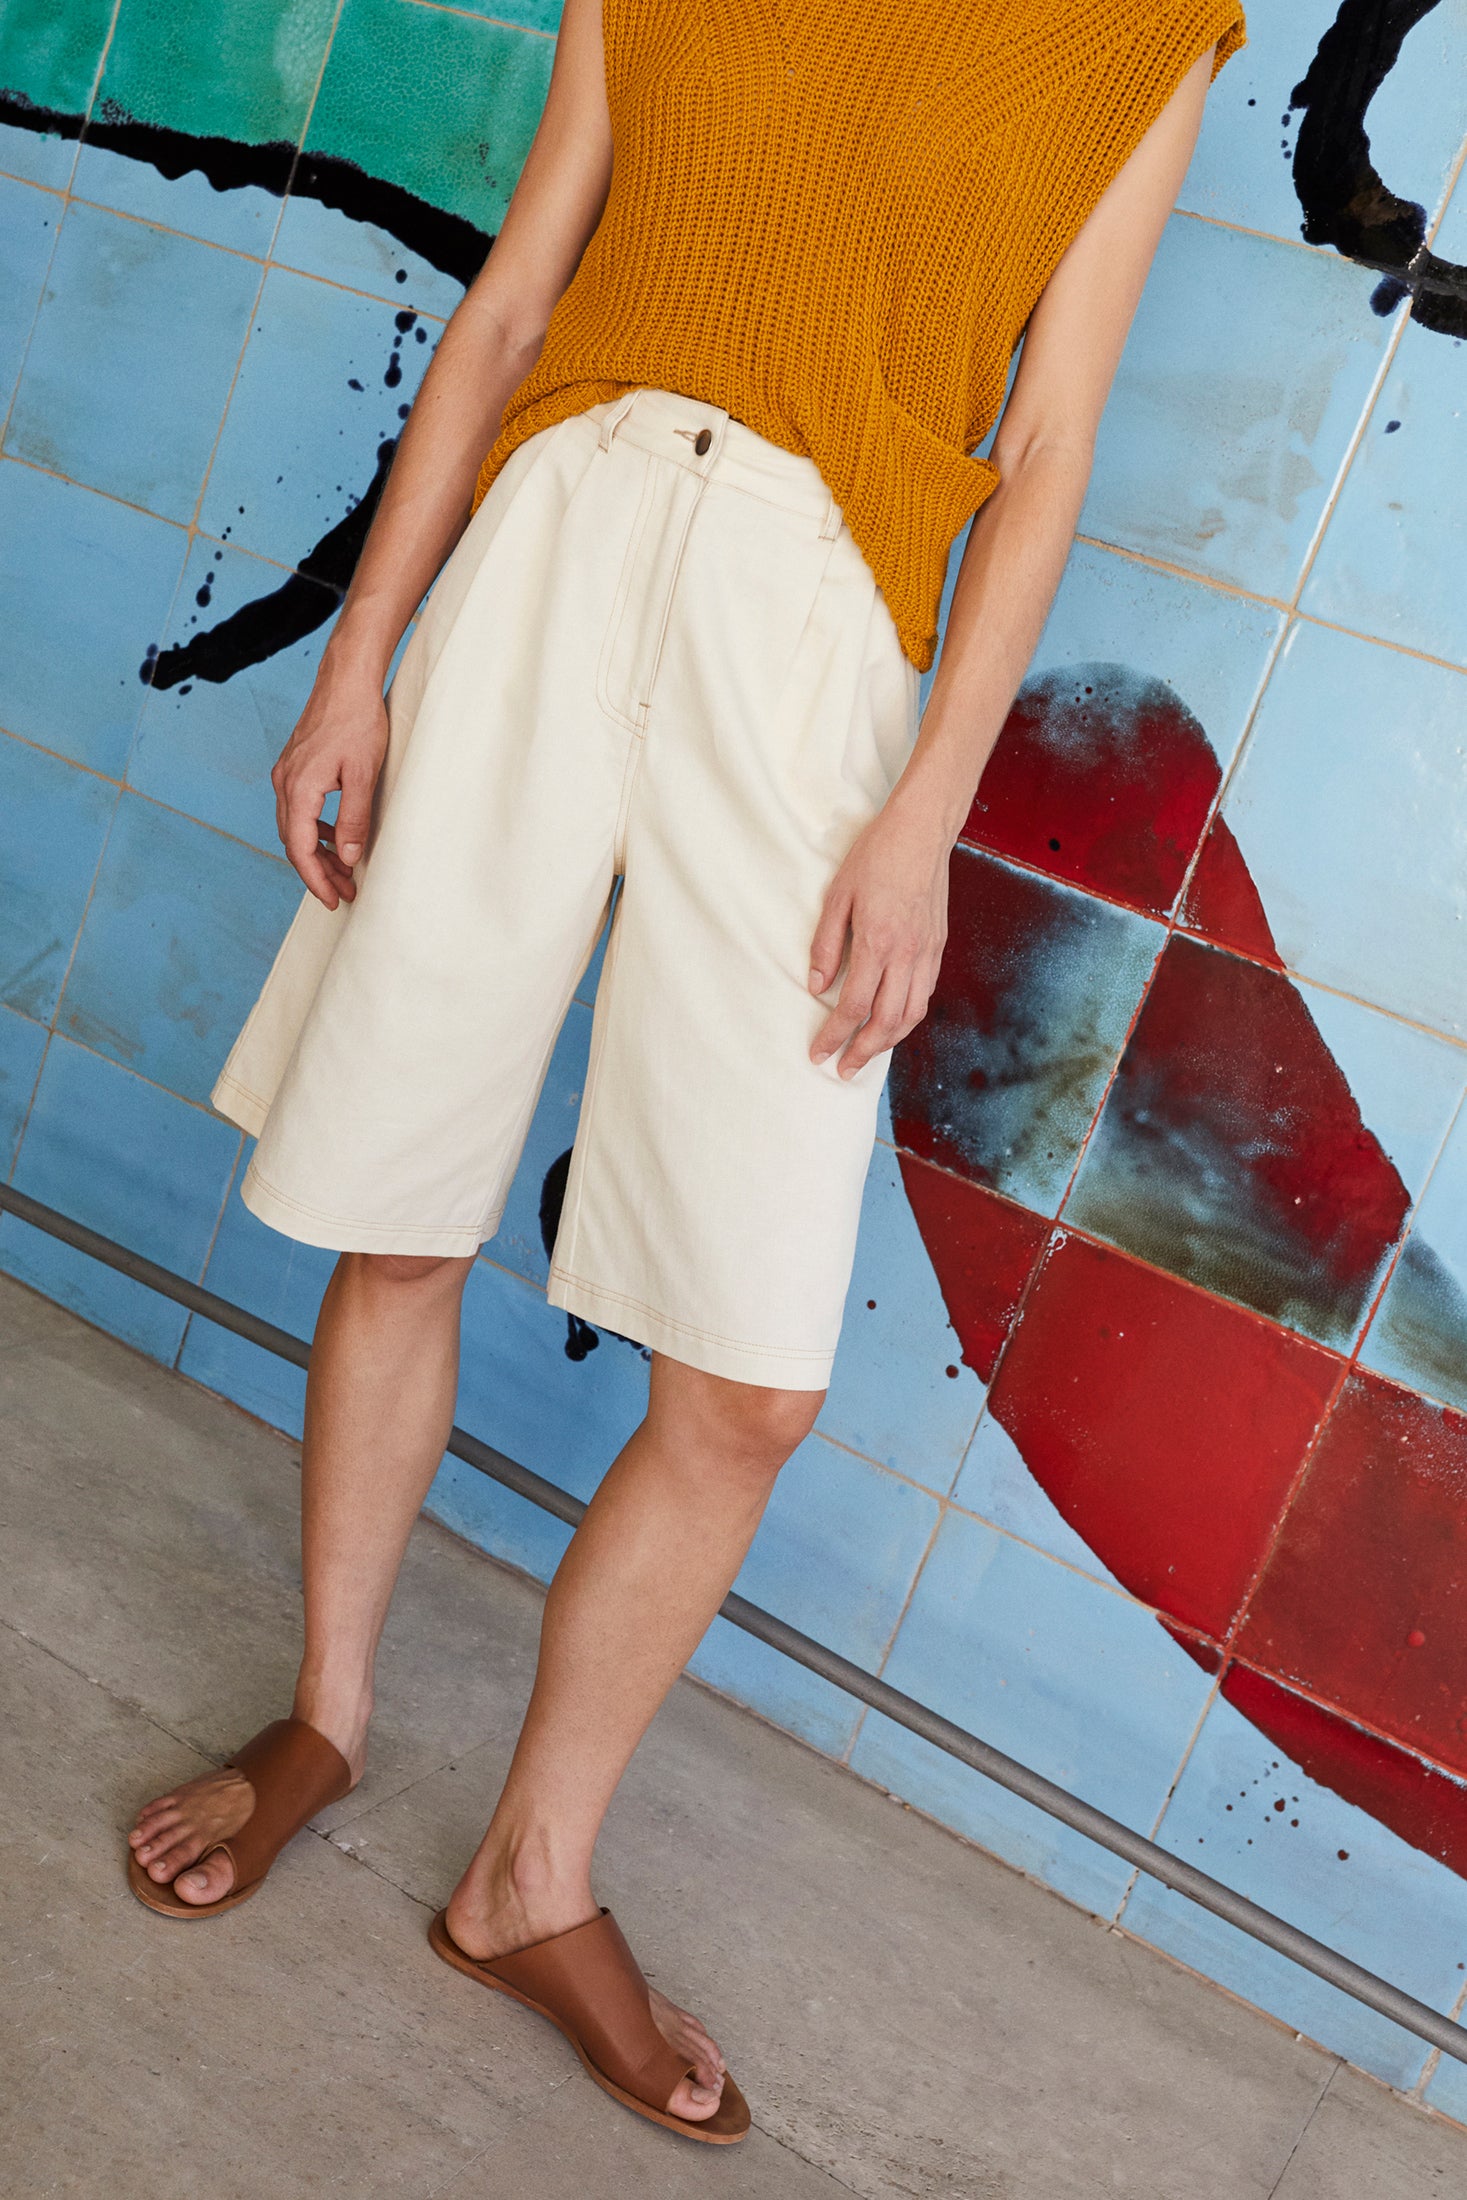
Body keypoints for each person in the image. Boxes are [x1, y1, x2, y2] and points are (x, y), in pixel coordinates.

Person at [126, 0, 1247, 2144]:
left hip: (811, 642)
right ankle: (329, 1718)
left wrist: (921, 808)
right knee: (398, 1200)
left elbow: (1048, 444)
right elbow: (521, 285)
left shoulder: (1143, 32)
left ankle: (529, 1870)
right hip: (552, 539)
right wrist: (360, 649)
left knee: (742, 1380)